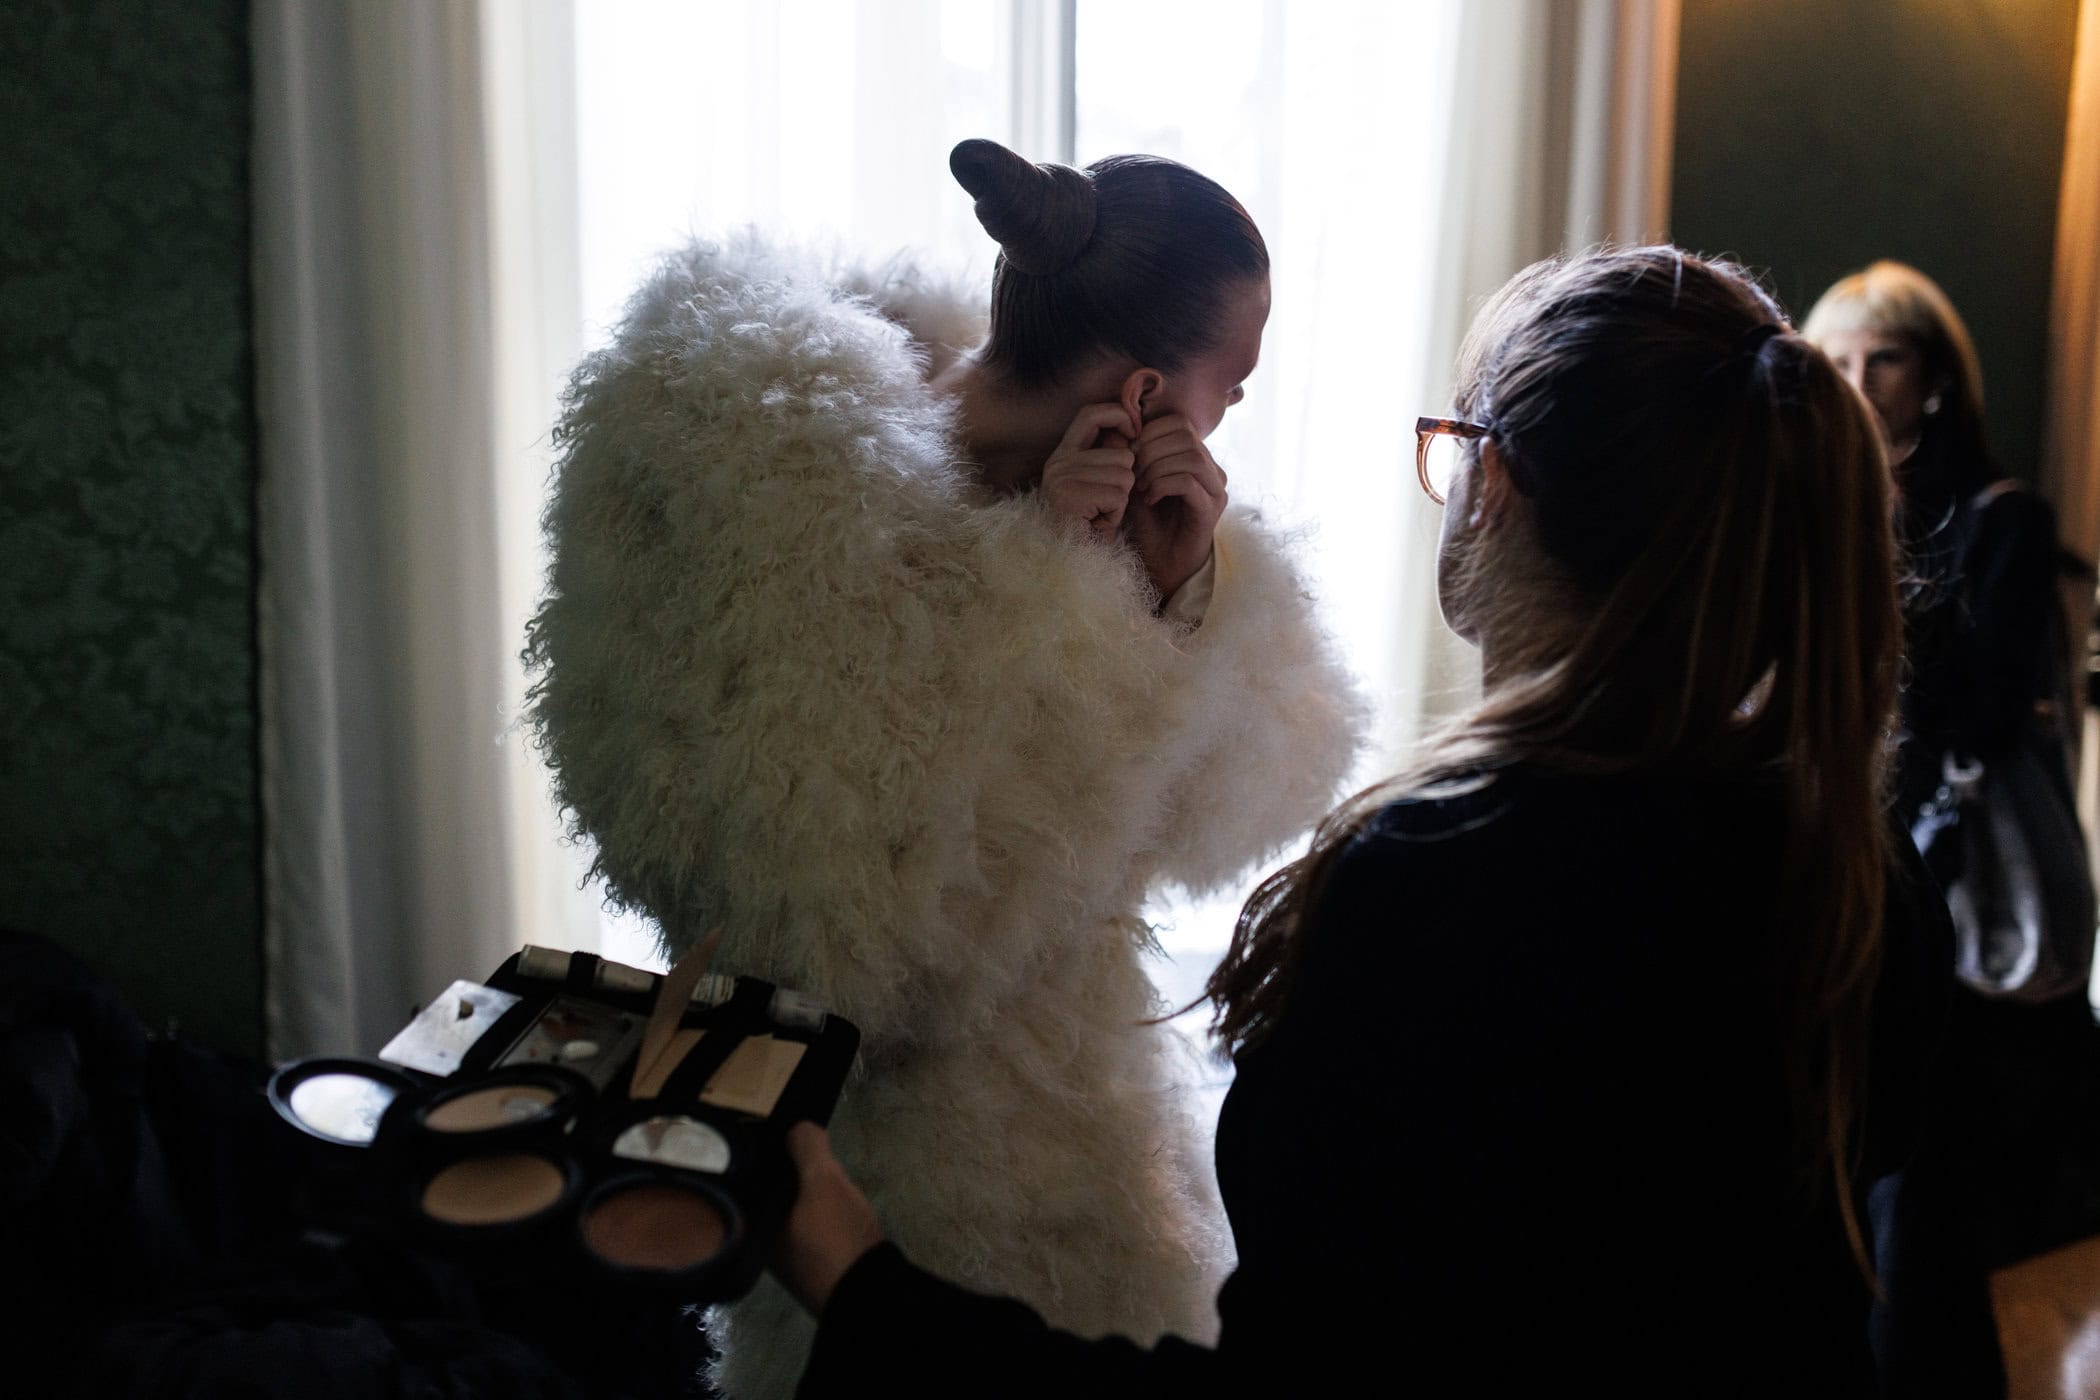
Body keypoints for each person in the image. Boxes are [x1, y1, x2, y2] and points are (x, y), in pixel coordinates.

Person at [773, 247, 2000, 1397]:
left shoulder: (1439, 889)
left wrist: (857, 1274)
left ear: (1497, 484)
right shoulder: (1852, 880)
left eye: (1454, 442)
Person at [524, 139, 1364, 1398]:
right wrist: (1052, 586)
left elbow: (1238, 808)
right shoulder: (781, 498)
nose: (1228, 417)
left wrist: (1178, 593)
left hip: (1098, 1141)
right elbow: (856, 930)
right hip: (864, 1168)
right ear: (1148, 387)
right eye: (1230, 386)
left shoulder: (1147, 521)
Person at [1807, 263, 2100, 1272]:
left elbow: (1976, 706)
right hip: (1843, 862)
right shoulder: (1807, 508)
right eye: (1837, 359)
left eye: (1881, 357)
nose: (1858, 379)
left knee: (1938, 1198)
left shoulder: (1997, 516)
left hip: (1954, 875)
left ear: (1931, 376)